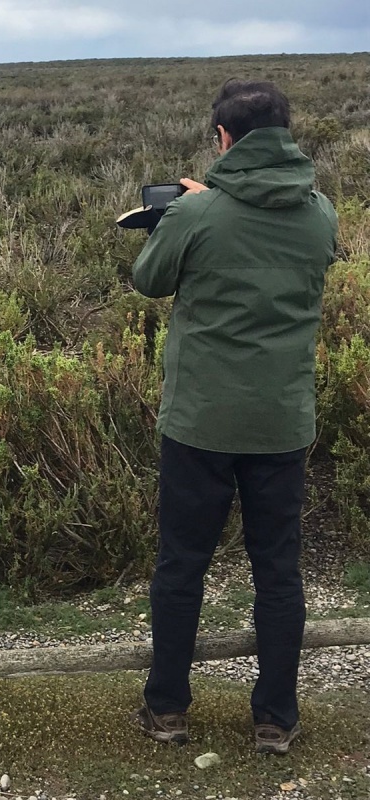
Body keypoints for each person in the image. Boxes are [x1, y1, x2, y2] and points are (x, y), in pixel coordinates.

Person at [130, 79, 338, 754]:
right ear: (285, 135)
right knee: (279, 569)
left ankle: (167, 710)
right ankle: (275, 718)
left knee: (182, 565)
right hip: (281, 423)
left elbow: (149, 280)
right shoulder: (321, 214)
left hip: (200, 421)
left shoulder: (198, 214)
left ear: (224, 140)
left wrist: (188, 212)